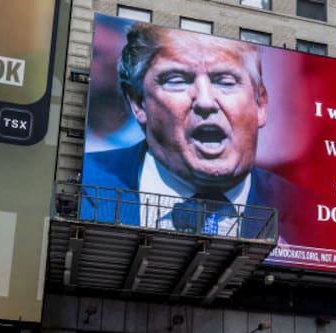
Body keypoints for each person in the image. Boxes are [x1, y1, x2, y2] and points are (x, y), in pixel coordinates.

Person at [80, 22, 291, 238]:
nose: (205, 102)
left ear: (261, 104)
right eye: (177, 80)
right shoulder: (83, 182)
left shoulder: (309, 213)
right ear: (138, 102)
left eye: (226, 81)